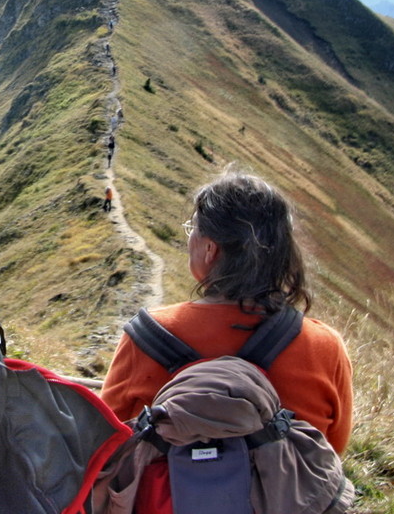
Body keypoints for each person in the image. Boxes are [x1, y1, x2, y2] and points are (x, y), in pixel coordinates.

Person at [100, 167, 353, 455]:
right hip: (286, 499)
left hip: (168, 500)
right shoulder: (325, 348)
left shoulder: (147, 336)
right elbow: (333, 451)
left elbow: (105, 442)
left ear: (210, 248)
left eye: (191, 228)